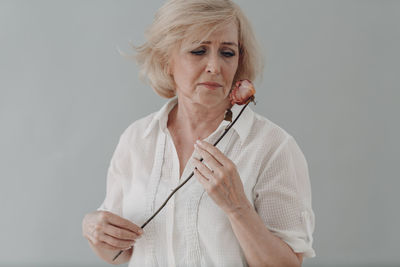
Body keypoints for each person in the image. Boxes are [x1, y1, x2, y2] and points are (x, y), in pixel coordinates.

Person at [82, 0, 316, 266]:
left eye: (227, 53)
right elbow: (120, 255)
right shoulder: (137, 139)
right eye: (198, 51)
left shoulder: (272, 146)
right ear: (166, 60)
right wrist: (94, 231)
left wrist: (237, 207)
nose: (215, 66)